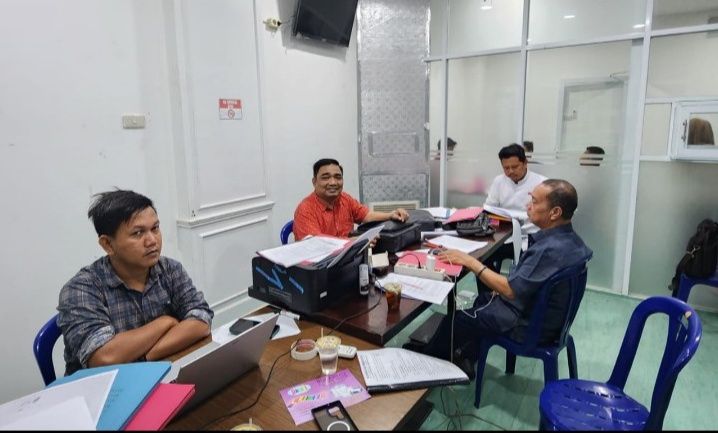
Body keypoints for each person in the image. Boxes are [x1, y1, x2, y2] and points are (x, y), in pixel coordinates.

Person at [417, 179, 592, 378]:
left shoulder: (548, 249)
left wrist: (470, 261)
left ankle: (425, 363)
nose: (528, 206)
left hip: (528, 327)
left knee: (455, 320)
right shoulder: (572, 242)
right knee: (483, 300)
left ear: (555, 213)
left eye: (534, 202)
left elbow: (510, 291)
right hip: (549, 320)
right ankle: (466, 357)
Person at [58, 190, 214, 375]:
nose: (152, 241)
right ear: (108, 244)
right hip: (104, 386)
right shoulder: (82, 289)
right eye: (138, 233)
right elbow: (103, 358)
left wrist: (147, 355)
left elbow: (201, 320)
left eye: (155, 228)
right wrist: (165, 322)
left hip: (161, 373)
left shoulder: (170, 269)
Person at [293, 158, 410, 241]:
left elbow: (366, 215)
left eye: (338, 177)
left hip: (347, 257)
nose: (333, 182)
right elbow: (316, 246)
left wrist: (390, 215)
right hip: (320, 264)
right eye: (326, 177)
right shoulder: (305, 209)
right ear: (314, 182)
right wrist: (353, 242)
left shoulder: (344, 199)